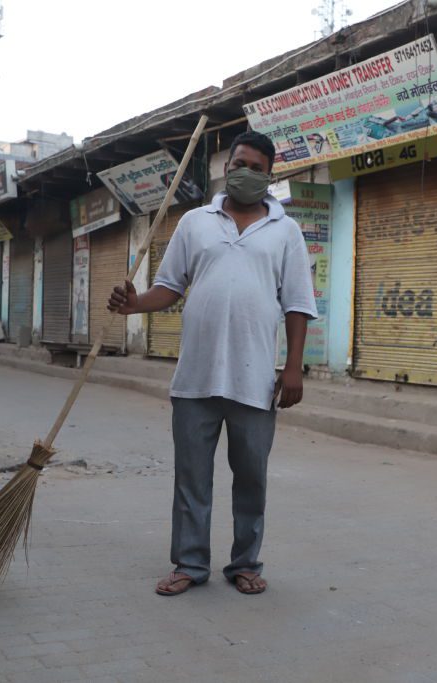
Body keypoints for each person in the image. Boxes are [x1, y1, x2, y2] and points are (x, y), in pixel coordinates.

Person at [108, 131, 317, 597]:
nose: (245, 172)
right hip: (196, 377)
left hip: (256, 377)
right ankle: (189, 564)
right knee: (192, 477)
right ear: (227, 167)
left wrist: (294, 367)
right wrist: (132, 304)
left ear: (269, 174)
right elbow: (169, 288)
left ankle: (245, 562)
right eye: (239, 163)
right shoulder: (194, 222)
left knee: (252, 479)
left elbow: (298, 304)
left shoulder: (285, 231)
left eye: (256, 168)